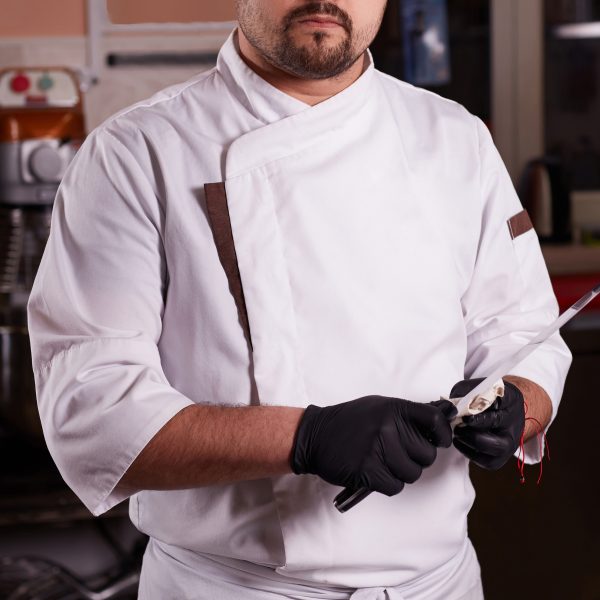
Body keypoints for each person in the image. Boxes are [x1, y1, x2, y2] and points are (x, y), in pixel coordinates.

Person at [28, 1, 572, 598]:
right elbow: (92, 412)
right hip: (234, 589)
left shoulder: (455, 137)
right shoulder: (135, 152)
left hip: (441, 584)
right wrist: (305, 437)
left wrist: (519, 403)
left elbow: (522, 328)